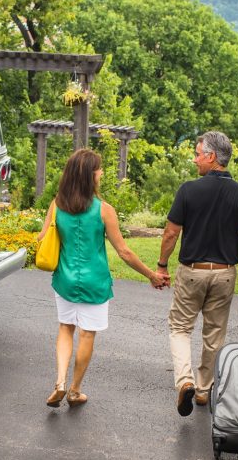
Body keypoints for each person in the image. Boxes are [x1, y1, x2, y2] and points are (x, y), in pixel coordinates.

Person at [37, 149, 167, 408]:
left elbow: (42, 238)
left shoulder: (57, 204)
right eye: (99, 169)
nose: (102, 172)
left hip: (64, 279)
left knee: (65, 328)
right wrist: (151, 275)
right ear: (90, 175)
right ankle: (74, 390)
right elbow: (124, 252)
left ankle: (60, 381)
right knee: (87, 335)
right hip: (95, 282)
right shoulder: (104, 210)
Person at [156, 131, 238, 417]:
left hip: (193, 272)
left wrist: (162, 265)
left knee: (180, 328)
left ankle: (185, 380)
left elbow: (171, 233)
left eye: (197, 154)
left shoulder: (188, 190)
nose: (195, 160)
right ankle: (203, 390)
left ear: (211, 156)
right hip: (225, 274)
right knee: (214, 334)